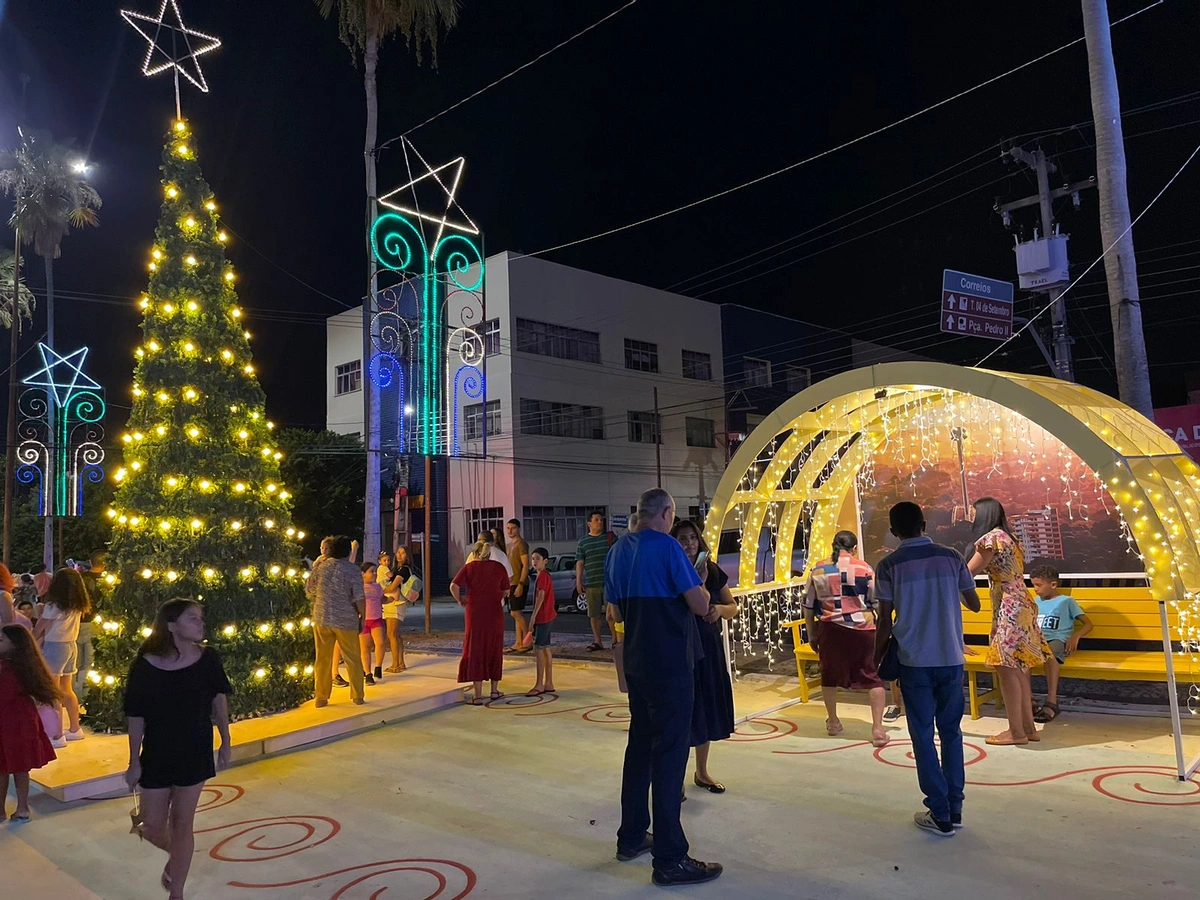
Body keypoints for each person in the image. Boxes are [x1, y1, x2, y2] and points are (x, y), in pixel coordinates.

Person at [607, 488, 722, 887]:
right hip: (672, 665)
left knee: (639, 748)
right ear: (667, 513)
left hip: (638, 664)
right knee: (671, 757)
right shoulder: (671, 549)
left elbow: (615, 609)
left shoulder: (617, 551)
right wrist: (702, 582)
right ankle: (671, 858)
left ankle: (632, 836)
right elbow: (699, 604)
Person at [874, 501, 980, 837]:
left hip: (914, 660)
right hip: (951, 657)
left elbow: (884, 619)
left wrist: (876, 658)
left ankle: (939, 810)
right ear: (924, 524)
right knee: (951, 732)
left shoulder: (889, 564)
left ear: (894, 531)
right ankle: (956, 806)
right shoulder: (952, 557)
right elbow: (973, 603)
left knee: (922, 734)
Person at [124, 599, 232, 899]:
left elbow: (219, 702)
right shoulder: (145, 664)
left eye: (201, 617)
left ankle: (177, 892)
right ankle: (180, 856)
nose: (200, 623)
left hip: (195, 748)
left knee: (183, 821)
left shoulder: (208, 658)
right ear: (171, 625)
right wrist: (133, 761)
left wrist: (225, 740)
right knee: (152, 825)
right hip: (157, 751)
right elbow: (135, 714)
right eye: (192, 618)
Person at [968, 497, 1049, 746]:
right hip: (1021, 603)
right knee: (1017, 668)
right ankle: (1028, 728)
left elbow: (967, 572)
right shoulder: (1009, 538)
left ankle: (1016, 732)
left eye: (974, 514)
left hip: (1010, 606)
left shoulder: (990, 539)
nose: (971, 519)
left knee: (1005, 668)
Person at [671, 520, 738, 795]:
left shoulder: (710, 570)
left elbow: (732, 605)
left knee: (705, 706)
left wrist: (720, 611)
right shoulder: (671, 569)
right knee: (685, 709)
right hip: (680, 646)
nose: (688, 544)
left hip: (708, 645)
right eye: (682, 539)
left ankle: (702, 771)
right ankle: (674, 778)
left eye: (692, 538)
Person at [804, 530, 888, 746]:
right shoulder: (864, 567)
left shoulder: (817, 569)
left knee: (829, 675)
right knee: (873, 676)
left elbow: (808, 605)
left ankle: (833, 722)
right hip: (863, 629)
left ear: (833, 545)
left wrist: (812, 633)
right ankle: (878, 729)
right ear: (854, 547)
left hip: (830, 629)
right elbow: (876, 601)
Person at [0, 624, 60, 823]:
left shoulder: (11, 669)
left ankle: (15, 808)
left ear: (15, 645)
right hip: (17, 722)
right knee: (15, 767)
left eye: (1, 640)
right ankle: (17, 808)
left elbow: (6, 694)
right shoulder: (23, 666)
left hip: (13, 724)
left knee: (11, 767)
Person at [450, 532, 512, 704]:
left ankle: (477, 695)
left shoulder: (470, 567)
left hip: (474, 613)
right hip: (494, 613)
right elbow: (507, 590)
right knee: (494, 648)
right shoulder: (499, 567)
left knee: (475, 648)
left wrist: (460, 599)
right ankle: (494, 690)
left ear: (476, 553)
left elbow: (453, 585)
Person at [306, 535, 366, 708]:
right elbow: (359, 598)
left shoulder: (321, 567)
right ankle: (357, 695)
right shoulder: (353, 570)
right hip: (346, 619)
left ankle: (321, 697)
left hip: (322, 617)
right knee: (353, 658)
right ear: (348, 551)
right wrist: (363, 617)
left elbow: (309, 589)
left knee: (322, 659)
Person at [33, 567, 91, 747]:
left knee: (52, 692)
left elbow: (39, 628)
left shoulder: (54, 605)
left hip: (55, 647)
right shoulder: (77, 605)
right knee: (67, 689)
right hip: (70, 646)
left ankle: (56, 735)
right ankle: (75, 729)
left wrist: (30, 640)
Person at [1030, 564, 1092, 723]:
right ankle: (1028, 699)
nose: (1035, 588)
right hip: (1037, 639)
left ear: (1053, 585)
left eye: (1038, 585)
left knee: (1050, 654)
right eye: (1033, 585)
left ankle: (1051, 701)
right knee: (1020, 657)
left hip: (1056, 639)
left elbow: (1088, 624)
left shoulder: (1066, 601)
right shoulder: (1034, 601)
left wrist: (1076, 636)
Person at [576, 511, 615, 652]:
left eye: (601, 520)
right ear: (589, 523)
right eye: (596, 520)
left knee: (611, 614)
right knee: (594, 614)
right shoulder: (583, 542)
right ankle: (597, 641)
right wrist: (579, 581)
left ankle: (615, 640)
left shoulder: (610, 538)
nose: (600, 522)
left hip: (609, 583)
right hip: (592, 583)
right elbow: (580, 562)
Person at [526, 547, 558, 697]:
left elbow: (541, 596)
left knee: (539, 649)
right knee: (545, 648)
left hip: (543, 616)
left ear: (545, 561)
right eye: (533, 559)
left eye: (537, 558)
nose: (534, 561)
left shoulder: (543, 577)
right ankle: (549, 682)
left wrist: (533, 617)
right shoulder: (543, 576)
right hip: (547, 615)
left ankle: (540, 683)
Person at [379, 548, 413, 673]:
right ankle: (400, 663)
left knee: (391, 633)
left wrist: (377, 591)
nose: (399, 555)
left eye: (403, 552)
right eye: (398, 552)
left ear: (407, 555)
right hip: (395, 602)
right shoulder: (396, 569)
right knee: (396, 634)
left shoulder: (403, 570)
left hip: (396, 603)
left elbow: (392, 587)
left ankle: (395, 664)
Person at [504, 519, 531, 654]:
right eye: (508, 528)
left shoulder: (521, 544)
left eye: (513, 528)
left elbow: (525, 565)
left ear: (518, 529)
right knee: (514, 613)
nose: (510, 531)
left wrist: (521, 583)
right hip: (511, 583)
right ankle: (519, 641)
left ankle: (527, 640)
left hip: (519, 582)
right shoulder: (508, 546)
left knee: (517, 612)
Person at [360, 563, 386, 685]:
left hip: (376, 619)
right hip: (364, 621)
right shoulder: (359, 587)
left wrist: (390, 599)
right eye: (371, 571)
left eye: (375, 571)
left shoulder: (377, 587)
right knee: (365, 648)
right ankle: (368, 674)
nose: (374, 574)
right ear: (363, 574)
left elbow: (382, 598)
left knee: (380, 643)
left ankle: (378, 666)